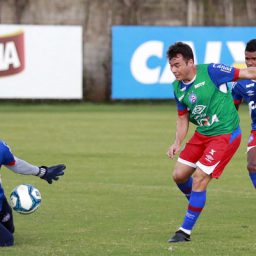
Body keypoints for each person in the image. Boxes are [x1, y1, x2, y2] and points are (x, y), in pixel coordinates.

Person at [166, 41, 256, 243]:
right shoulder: (177, 88)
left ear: (190, 62)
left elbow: (249, 74)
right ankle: (196, 201)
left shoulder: (213, 71)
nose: (174, 70)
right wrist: (177, 142)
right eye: (171, 66)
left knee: (199, 178)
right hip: (203, 134)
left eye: (177, 65)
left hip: (225, 135)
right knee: (179, 175)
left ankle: (184, 232)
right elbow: (182, 118)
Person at [0, 140, 66, 246]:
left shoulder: (1, 148)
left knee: (9, 229)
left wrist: (42, 172)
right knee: (7, 241)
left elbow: (14, 163)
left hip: (1, 201)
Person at [232, 39, 256, 189]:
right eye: (247, 58)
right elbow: (231, 110)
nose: (250, 63)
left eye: (254, 59)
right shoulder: (240, 83)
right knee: (252, 165)